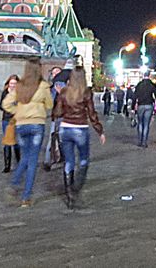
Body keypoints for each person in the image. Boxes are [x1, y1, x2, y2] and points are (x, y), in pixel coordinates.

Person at [52, 66, 104, 209]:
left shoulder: (64, 92)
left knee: (68, 162)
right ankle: (76, 187)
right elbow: (92, 114)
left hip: (65, 129)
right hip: (80, 128)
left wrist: (59, 97)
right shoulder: (86, 92)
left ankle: (69, 196)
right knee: (83, 160)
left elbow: (57, 113)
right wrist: (99, 130)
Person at [3, 59, 53, 207]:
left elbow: (5, 104)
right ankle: (25, 196)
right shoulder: (43, 86)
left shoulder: (19, 86)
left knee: (25, 157)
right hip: (37, 125)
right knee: (32, 161)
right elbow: (50, 104)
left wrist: (17, 112)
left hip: (21, 125)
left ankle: (14, 185)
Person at [43, 64, 66, 171]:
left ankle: (64, 158)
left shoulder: (67, 86)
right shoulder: (51, 88)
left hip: (65, 117)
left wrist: (61, 93)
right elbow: (49, 103)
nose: (56, 74)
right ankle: (47, 161)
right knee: (51, 138)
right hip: (55, 116)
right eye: (54, 73)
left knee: (62, 139)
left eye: (58, 72)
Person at [132, 71, 156, 148]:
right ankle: (144, 142)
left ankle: (140, 141)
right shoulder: (152, 85)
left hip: (140, 105)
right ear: (149, 75)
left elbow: (135, 96)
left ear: (143, 75)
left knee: (140, 123)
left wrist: (133, 106)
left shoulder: (139, 85)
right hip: (149, 105)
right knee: (146, 124)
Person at [0, 74, 21, 173]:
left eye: (15, 84)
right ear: (8, 84)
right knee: (7, 142)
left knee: (16, 142)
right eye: (11, 83)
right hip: (6, 120)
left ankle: (19, 162)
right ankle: (7, 165)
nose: (12, 85)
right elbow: (1, 106)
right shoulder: (5, 93)